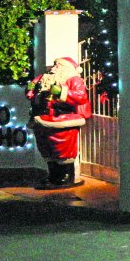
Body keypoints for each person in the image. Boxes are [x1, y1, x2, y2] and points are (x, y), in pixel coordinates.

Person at [28, 57, 91, 188]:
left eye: (59, 65)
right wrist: (30, 89)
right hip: (42, 118)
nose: (55, 67)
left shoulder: (74, 80)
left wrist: (61, 92)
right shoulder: (43, 78)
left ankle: (66, 176)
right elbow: (30, 92)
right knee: (46, 147)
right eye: (55, 64)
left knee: (63, 148)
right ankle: (53, 175)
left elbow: (80, 96)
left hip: (62, 119)